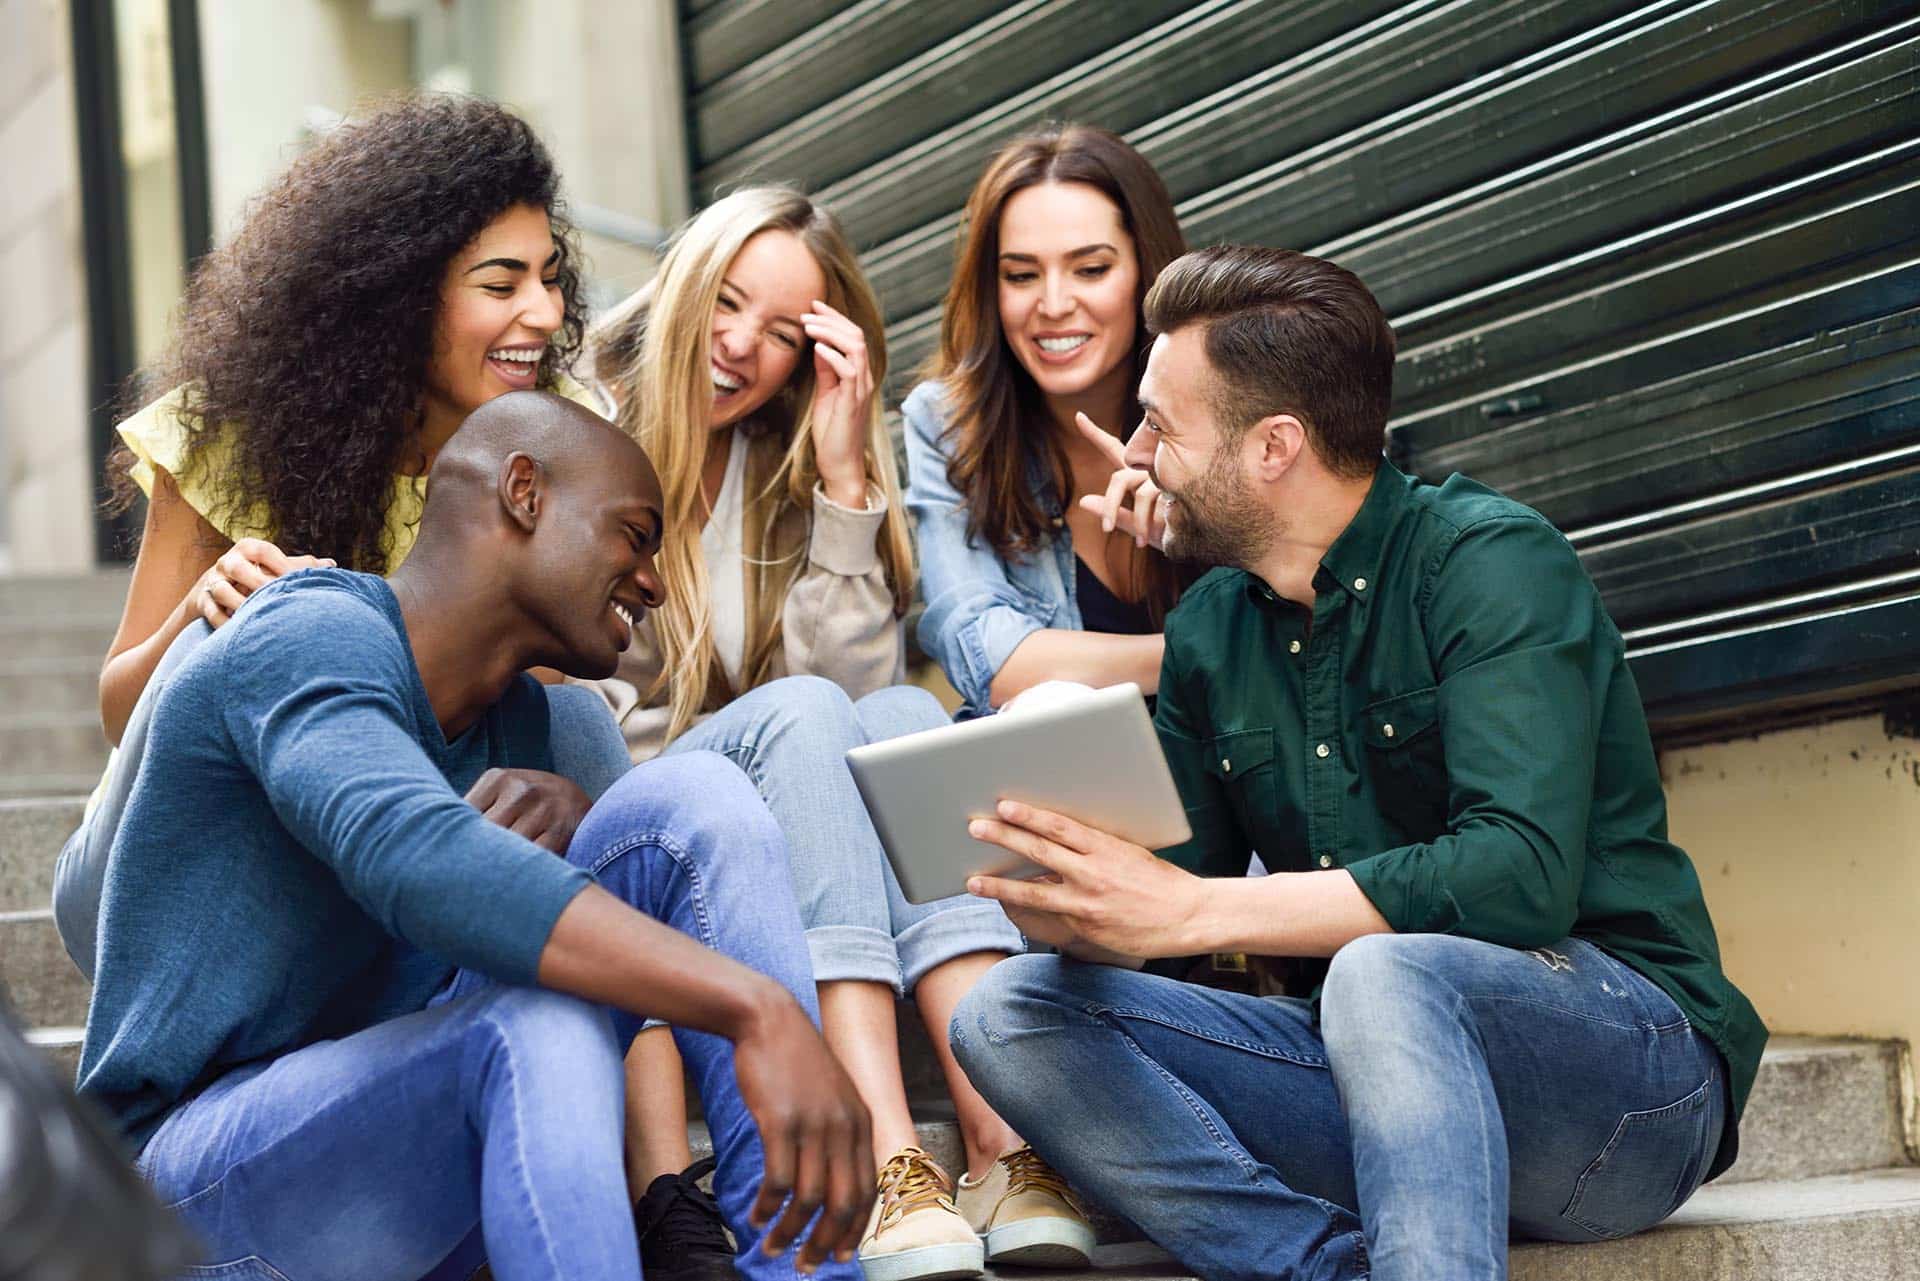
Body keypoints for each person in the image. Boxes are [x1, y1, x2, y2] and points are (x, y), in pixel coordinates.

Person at [950, 246, 1769, 1281]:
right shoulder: (1210, 628)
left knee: (1387, 968)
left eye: (1163, 424)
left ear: (1274, 448)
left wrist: (1197, 911)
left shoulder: (1490, 564)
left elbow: (1518, 877)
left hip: (1626, 1090)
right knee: (1010, 1013)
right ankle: (1321, 1267)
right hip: (1371, 1087)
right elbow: (1167, 908)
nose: (1139, 455)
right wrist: (1066, 891)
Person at [78, 391, 875, 1281]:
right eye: (635, 534)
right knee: (526, 1026)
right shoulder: (307, 629)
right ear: (524, 492)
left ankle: (806, 1270)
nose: (653, 580)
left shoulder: (530, 728)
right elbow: (411, 857)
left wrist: (587, 828)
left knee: (696, 796)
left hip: (403, 1165)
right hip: (184, 1196)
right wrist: (754, 1005)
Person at [579, 186, 1087, 1281]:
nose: (739, 349)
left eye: (779, 333)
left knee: (907, 718)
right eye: (727, 304)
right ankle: (885, 1154)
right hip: (643, 813)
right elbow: (585, 700)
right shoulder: (583, 426)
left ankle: (999, 1145)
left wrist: (847, 473)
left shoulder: (781, 458)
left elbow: (851, 690)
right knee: (820, 716)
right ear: (683, 283)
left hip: (776, 779)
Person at [55, 92, 632, 981]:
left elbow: (522, 712)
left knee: (573, 719)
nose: (546, 313)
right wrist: (203, 622)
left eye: (550, 276)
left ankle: (624, 1065)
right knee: (245, 627)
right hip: (169, 865)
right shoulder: (229, 435)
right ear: (400, 297)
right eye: (501, 283)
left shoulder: (552, 448)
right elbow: (117, 709)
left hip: (389, 847)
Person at [903, 125, 1188, 720]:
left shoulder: (1228, 399)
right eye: (1022, 275)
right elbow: (988, 660)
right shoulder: (948, 426)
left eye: (1090, 269)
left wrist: (1202, 527)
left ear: (1146, 270)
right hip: (1067, 781)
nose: (1053, 304)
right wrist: (1200, 654)